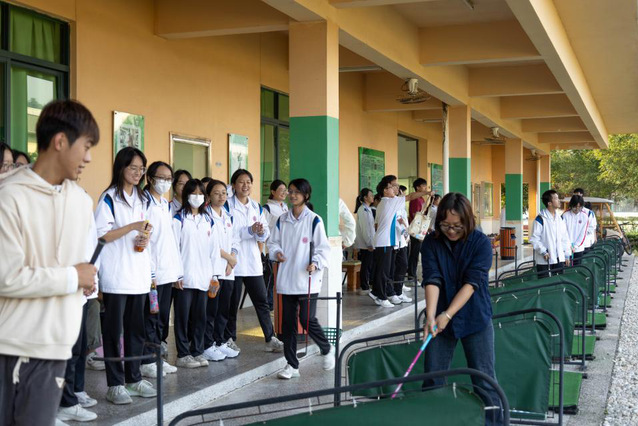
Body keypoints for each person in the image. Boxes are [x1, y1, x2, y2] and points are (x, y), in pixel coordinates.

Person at [0, 99, 99, 425]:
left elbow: (76, 266)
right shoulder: (9, 196)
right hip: (13, 347)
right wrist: (72, 277)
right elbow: (6, 277)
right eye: (86, 146)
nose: (88, 158)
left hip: (57, 348)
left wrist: (83, 280)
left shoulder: (81, 201)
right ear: (60, 141)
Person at [421, 192, 502, 426]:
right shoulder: (431, 242)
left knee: (484, 379)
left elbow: (472, 283)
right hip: (439, 318)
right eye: (446, 225)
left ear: (467, 221)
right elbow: (432, 278)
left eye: (457, 226)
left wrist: (448, 314)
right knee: (433, 379)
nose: (451, 231)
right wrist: (431, 315)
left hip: (475, 316)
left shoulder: (481, 243)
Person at [95, 147, 157, 404]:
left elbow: (145, 230)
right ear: (121, 168)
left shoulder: (143, 198)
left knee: (136, 332)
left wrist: (144, 237)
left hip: (138, 276)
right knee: (113, 333)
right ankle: (115, 384)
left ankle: (134, 379)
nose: (138, 173)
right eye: (133, 168)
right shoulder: (109, 198)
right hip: (116, 277)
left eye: (141, 169)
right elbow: (101, 235)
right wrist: (132, 226)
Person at [267, 178, 335, 379]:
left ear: (306, 195)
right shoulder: (282, 220)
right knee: (287, 324)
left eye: (297, 192)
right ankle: (292, 365)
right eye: (291, 191)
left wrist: (316, 262)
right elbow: (272, 243)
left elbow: (323, 248)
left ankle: (326, 348)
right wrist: (277, 252)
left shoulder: (314, 220)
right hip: (287, 278)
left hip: (307, 278)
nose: (293, 195)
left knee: (306, 319)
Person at [222, 169, 283, 354]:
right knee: (232, 305)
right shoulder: (227, 206)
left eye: (248, 182)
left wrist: (260, 231)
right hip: (234, 263)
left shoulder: (256, 207)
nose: (245, 185)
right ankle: (230, 339)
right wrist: (249, 230)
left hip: (253, 262)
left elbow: (265, 233)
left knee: (262, 302)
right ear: (234, 185)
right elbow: (229, 233)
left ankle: (270, 338)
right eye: (241, 182)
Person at [140, 161, 182, 377]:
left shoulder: (165, 204)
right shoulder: (143, 203)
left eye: (169, 178)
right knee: (150, 317)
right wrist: (150, 272)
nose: (165, 182)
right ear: (149, 178)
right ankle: (146, 360)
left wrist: (177, 272)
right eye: (161, 178)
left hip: (167, 273)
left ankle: (156, 356)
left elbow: (169, 241)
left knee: (162, 318)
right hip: (152, 275)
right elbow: (144, 240)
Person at [172, 179, 216, 369]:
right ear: (186, 195)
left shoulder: (208, 220)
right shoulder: (178, 219)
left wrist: (214, 275)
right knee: (182, 318)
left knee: (200, 317)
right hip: (184, 277)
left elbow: (213, 249)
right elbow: (174, 248)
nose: (197, 197)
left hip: (204, 277)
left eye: (200, 193)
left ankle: (197, 351)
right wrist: (177, 275)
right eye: (193, 193)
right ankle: (183, 354)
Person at [369, 175, 430, 308]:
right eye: (393, 187)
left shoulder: (387, 202)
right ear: (385, 191)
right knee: (383, 271)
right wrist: (426, 192)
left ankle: (381, 293)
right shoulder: (388, 202)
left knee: (386, 270)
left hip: (387, 241)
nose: (396, 188)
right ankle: (380, 297)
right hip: (384, 242)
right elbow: (410, 196)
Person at [204, 179, 240, 361]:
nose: (221, 196)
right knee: (211, 309)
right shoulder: (205, 216)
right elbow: (209, 244)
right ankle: (207, 344)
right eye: (216, 193)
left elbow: (235, 240)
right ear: (209, 195)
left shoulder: (228, 216)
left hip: (228, 271)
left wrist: (232, 259)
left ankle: (220, 341)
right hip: (213, 271)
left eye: (224, 193)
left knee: (224, 309)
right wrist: (229, 258)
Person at [529, 189, 572, 278]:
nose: (559, 200)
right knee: (545, 284)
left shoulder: (560, 219)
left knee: (558, 283)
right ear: (549, 203)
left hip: (559, 259)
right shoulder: (540, 219)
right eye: (556, 198)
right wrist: (543, 251)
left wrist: (567, 254)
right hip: (545, 260)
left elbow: (565, 237)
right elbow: (534, 239)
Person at [263, 179, 289, 310]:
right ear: (273, 192)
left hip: (283, 249)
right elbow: (264, 229)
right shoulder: (267, 208)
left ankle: (277, 304)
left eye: (285, 190)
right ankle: (267, 305)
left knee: (279, 278)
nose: (284, 193)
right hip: (270, 249)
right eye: (281, 190)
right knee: (270, 279)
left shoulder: (285, 207)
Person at [354, 188, 375, 295]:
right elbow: (365, 229)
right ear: (365, 198)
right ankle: (364, 287)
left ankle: (367, 284)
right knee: (366, 265)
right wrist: (369, 243)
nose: (372, 197)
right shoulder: (363, 210)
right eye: (370, 195)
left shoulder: (368, 209)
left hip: (369, 242)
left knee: (369, 265)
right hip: (365, 244)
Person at [407, 178, 429, 280]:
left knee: (418, 252)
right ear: (417, 187)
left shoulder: (422, 199)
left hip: (421, 229)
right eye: (423, 186)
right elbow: (415, 216)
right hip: (416, 229)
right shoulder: (415, 199)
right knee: (414, 253)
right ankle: (411, 274)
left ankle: (413, 273)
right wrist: (419, 232)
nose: (425, 188)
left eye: (425, 186)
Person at [394, 185, 412, 302]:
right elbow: (397, 223)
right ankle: (396, 291)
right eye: (402, 193)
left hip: (403, 240)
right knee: (400, 266)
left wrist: (407, 233)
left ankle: (399, 290)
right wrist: (405, 232)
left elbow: (404, 222)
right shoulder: (394, 207)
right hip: (397, 241)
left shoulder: (401, 208)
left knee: (403, 266)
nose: (404, 195)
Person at [562, 195, 589, 265]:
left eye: (579, 207)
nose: (577, 209)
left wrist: (576, 246)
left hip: (578, 248)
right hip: (566, 248)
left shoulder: (585, 216)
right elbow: (563, 232)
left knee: (577, 268)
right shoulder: (565, 215)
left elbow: (583, 234)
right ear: (571, 205)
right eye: (575, 207)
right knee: (566, 267)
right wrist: (568, 246)